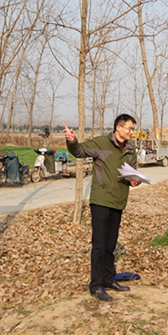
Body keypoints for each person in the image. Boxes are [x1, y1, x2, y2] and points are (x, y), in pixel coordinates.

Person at [63, 114, 141, 302]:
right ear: (118, 128)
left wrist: (135, 180)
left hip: (119, 200)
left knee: (110, 244)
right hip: (101, 201)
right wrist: (72, 141)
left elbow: (133, 172)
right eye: (129, 128)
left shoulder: (130, 149)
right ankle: (96, 285)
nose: (132, 132)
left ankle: (108, 278)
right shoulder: (101, 143)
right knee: (99, 244)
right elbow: (79, 151)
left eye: (133, 129)